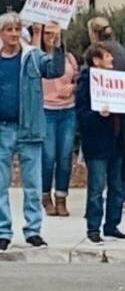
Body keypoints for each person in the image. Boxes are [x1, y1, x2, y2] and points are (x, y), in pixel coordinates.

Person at [0, 15, 64, 252]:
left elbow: (55, 69)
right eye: (9, 29)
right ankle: (3, 231)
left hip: (29, 127)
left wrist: (56, 42)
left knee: (33, 184)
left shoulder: (32, 57)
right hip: (2, 128)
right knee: (0, 184)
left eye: (17, 29)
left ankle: (34, 230)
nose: (14, 34)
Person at [76, 43, 125, 244]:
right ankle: (93, 227)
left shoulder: (118, 80)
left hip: (117, 141)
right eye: (107, 56)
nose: (112, 59)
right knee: (96, 187)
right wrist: (97, 114)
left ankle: (112, 225)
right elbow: (81, 113)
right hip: (97, 142)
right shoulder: (86, 82)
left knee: (118, 186)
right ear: (96, 60)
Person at [41, 30, 79, 217]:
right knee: (48, 157)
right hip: (46, 110)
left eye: (55, 33)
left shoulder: (68, 57)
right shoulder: (38, 56)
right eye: (47, 33)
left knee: (65, 157)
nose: (52, 36)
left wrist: (73, 87)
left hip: (68, 110)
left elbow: (78, 78)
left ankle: (62, 197)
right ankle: (45, 195)